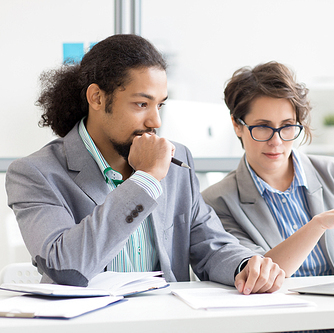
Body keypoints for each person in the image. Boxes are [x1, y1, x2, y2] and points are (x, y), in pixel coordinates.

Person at [5, 35, 284, 295]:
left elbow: (209, 244)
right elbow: (65, 268)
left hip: (166, 320)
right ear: (97, 98)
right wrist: (146, 180)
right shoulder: (35, 173)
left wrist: (245, 265)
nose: (155, 122)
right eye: (141, 104)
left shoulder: (177, 160)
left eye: (159, 105)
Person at [202, 61, 334, 284]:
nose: (276, 141)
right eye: (263, 127)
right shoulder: (217, 202)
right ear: (238, 125)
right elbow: (259, 275)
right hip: (281, 315)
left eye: (287, 126)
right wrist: (317, 225)